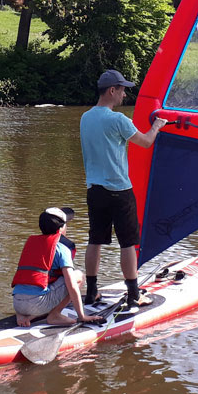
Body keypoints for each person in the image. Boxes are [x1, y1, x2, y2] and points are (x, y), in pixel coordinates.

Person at [79, 69, 166, 308]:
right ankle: (134, 294)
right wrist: (157, 125)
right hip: (119, 190)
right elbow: (146, 142)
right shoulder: (118, 120)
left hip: (94, 190)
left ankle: (92, 292)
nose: (124, 95)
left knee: (95, 240)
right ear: (111, 90)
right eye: (122, 90)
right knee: (128, 242)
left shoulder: (85, 118)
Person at [12, 207, 102, 329]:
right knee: (78, 276)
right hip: (36, 304)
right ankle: (54, 315)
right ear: (60, 229)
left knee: (38, 288)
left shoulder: (31, 243)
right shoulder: (62, 248)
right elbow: (72, 285)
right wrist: (82, 316)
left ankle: (25, 315)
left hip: (17, 303)